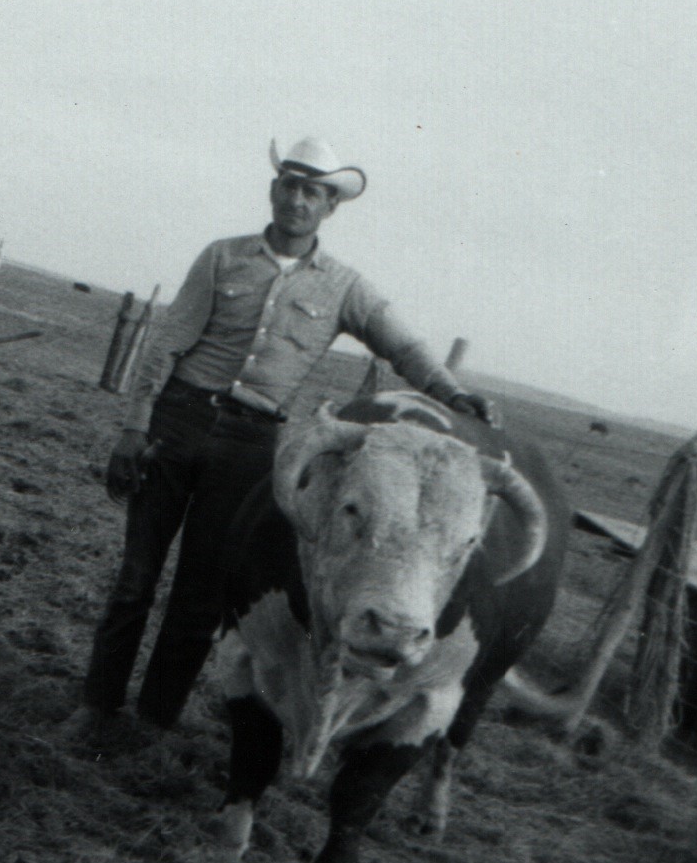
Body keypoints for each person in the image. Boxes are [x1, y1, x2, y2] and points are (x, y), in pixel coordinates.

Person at [70, 137, 499, 748]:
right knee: (136, 579)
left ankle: (153, 722)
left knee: (201, 596)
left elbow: (402, 346)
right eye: (290, 186)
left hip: (251, 448)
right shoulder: (221, 258)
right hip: (177, 425)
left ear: (330, 208)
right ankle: (96, 706)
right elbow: (167, 343)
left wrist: (454, 395)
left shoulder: (346, 287)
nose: (298, 200)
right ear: (273, 190)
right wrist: (135, 426)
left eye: (313, 193)